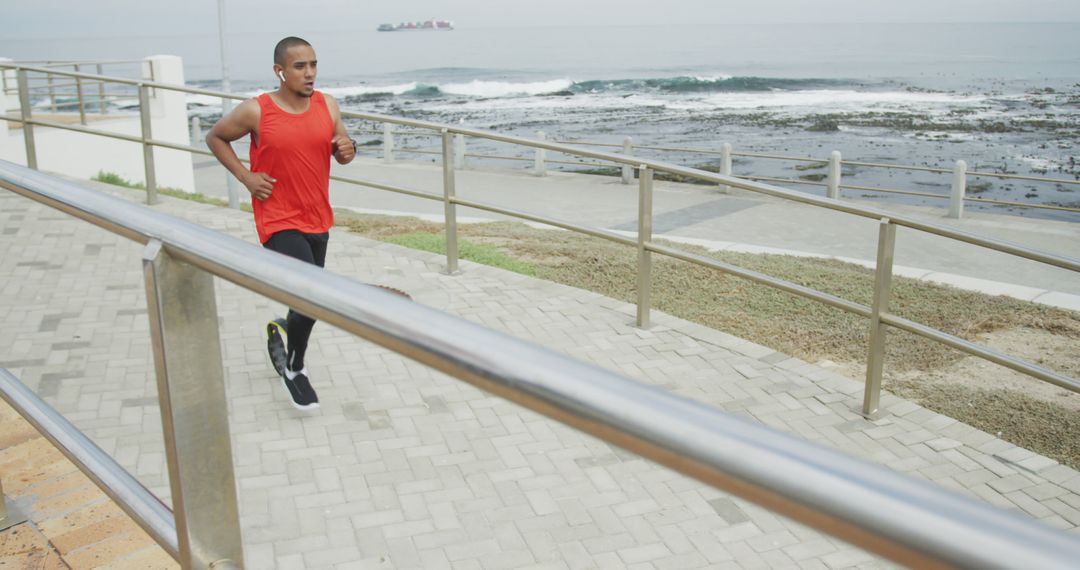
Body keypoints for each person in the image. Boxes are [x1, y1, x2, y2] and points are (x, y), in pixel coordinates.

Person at [206, 36, 356, 410]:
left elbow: (342, 151)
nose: (310, 73)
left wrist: (348, 149)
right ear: (280, 71)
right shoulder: (257, 111)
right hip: (277, 218)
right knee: (310, 292)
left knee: (307, 301)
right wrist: (245, 177)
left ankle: (287, 325)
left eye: (313, 65)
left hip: (317, 216)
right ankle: (294, 368)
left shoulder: (328, 105)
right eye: (300, 66)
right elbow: (216, 137)